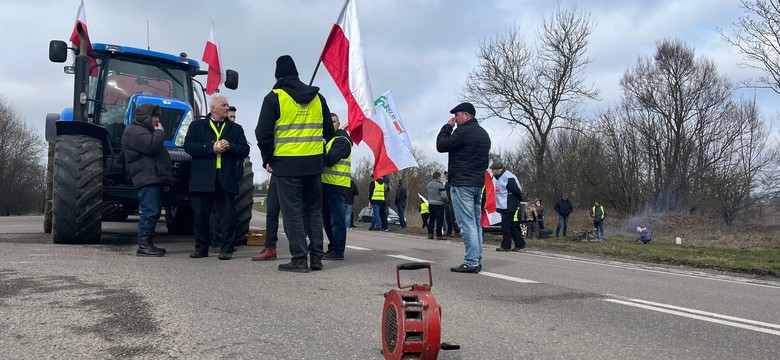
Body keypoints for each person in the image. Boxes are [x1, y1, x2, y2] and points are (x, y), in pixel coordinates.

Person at [255, 55, 334, 272]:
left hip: (286, 165)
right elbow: (329, 132)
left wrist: (268, 158)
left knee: (292, 214)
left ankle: (299, 259)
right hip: (314, 164)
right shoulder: (318, 98)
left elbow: (262, 133)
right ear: (297, 74)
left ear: (277, 76)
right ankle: (316, 258)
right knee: (313, 212)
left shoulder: (274, 98)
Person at [184, 94, 250, 260]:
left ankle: (227, 249)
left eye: (227, 105)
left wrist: (231, 146)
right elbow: (189, 147)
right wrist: (209, 148)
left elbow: (244, 150)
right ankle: (201, 248)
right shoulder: (197, 126)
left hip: (226, 179)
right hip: (203, 179)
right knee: (200, 216)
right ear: (212, 108)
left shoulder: (236, 129)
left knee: (227, 216)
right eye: (223, 105)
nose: (226, 107)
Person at [436, 102, 491, 273]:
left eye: (457, 115)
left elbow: (441, 145)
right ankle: (477, 259)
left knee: (467, 224)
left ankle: (471, 261)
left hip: (462, 183)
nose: (455, 119)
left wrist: (447, 127)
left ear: (467, 115)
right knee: (475, 223)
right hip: (477, 184)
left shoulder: (463, 131)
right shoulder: (483, 134)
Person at [121, 104, 174, 257]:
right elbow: (152, 147)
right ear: (146, 117)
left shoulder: (144, 131)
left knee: (153, 211)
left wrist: (165, 180)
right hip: (147, 178)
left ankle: (147, 243)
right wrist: (160, 133)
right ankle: (144, 246)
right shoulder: (134, 131)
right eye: (155, 117)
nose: (157, 120)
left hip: (153, 177)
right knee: (150, 211)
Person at [321, 113, 353, 261]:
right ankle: (333, 246)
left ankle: (338, 250)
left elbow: (330, 159)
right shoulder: (330, 140)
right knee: (327, 220)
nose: (331, 124)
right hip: (325, 185)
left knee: (336, 220)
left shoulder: (342, 140)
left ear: (338, 124)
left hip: (336, 185)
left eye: (334, 122)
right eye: (329, 122)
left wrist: (319, 146)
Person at [210, 105, 242, 251]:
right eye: (230, 116)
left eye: (234, 117)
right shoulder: (218, 131)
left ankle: (229, 239)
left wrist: (232, 146)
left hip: (232, 177)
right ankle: (217, 240)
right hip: (217, 176)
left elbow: (243, 150)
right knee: (218, 210)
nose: (232, 119)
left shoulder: (236, 132)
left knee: (229, 211)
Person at [490, 161, 525, 252]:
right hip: (505, 204)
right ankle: (519, 243)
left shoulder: (507, 177)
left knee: (506, 225)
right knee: (510, 225)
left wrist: (517, 201)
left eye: (493, 170)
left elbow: (517, 191)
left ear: (497, 170)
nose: (492, 172)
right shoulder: (501, 177)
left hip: (510, 204)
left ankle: (506, 246)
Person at [251, 175, 280, 261]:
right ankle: (270, 248)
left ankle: (300, 252)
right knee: (271, 213)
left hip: (293, 173)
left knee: (292, 215)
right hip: (277, 172)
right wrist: (266, 163)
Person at [425, 172, 447, 240]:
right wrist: (446, 201)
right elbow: (444, 195)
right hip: (439, 204)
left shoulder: (428, 185)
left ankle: (430, 233)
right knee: (439, 220)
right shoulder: (440, 185)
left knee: (432, 219)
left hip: (431, 204)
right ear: (438, 177)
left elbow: (426, 194)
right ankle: (439, 235)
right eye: (440, 177)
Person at [443, 171, 460, 236]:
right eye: (445, 176)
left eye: (447, 175)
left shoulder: (451, 183)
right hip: (447, 202)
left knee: (452, 217)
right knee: (447, 217)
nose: (446, 177)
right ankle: (449, 230)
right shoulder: (446, 183)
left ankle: (456, 230)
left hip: (451, 201)